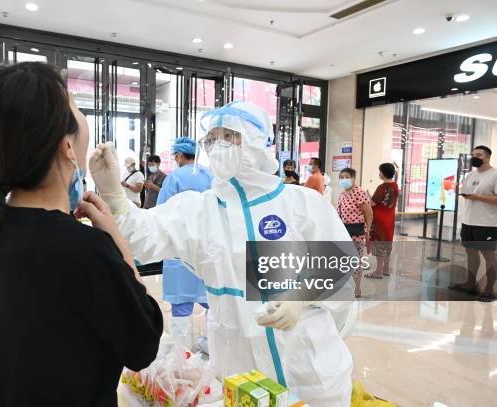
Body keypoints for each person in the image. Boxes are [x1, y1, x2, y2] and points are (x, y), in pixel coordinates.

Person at [90, 101, 356, 407]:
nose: (219, 145)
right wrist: (113, 195)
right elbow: (141, 236)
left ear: (256, 141)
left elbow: (340, 261)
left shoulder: (302, 203)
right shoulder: (198, 209)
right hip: (242, 372)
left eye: (229, 136)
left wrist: (300, 297)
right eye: (211, 138)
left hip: (310, 366)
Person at [0, 62, 162, 406]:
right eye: (77, 108)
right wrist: (116, 240)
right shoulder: (87, 250)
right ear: (67, 145)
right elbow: (143, 344)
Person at [157, 137, 213, 347]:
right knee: (212, 299)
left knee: (181, 301)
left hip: (180, 248)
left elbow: (161, 212)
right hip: (208, 247)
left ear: (179, 155)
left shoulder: (175, 179)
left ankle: (180, 351)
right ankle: (209, 343)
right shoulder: (210, 175)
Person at [455, 146, 497, 302]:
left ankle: (490, 289)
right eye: (473, 155)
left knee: (490, 256)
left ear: (487, 157)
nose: (475, 157)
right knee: (470, 254)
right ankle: (470, 284)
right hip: (468, 221)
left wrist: (477, 197)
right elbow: (466, 193)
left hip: (487, 223)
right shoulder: (470, 174)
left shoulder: (494, 175)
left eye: (478, 155)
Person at [337, 168, 373, 297]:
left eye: (346, 177)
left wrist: (368, 230)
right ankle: (346, 286)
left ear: (353, 178)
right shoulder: (342, 194)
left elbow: (369, 213)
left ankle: (357, 288)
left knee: (356, 261)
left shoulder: (360, 192)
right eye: (341, 177)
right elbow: (339, 213)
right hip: (344, 232)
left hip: (357, 232)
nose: (343, 180)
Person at [366, 163, 399, 279]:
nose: (379, 174)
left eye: (380, 171)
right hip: (390, 218)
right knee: (387, 242)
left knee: (379, 243)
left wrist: (367, 195)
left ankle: (378, 271)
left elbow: (373, 203)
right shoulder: (395, 186)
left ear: (383, 173)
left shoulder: (382, 187)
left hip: (379, 219)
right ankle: (386, 269)